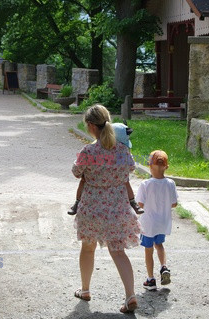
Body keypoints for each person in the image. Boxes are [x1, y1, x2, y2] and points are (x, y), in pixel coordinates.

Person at [71, 104, 141, 313]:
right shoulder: (122, 151)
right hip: (118, 208)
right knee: (118, 252)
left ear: (91, 126)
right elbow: (130, 169)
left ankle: (85, 290)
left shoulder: (88, 151)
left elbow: (76, 172)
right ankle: (130, 296)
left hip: (92, 209)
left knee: (88, 247)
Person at [68, 122, 144, 215]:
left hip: (94, 199)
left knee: (83, 180)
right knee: (126, 181)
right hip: (118, 194)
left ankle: (77, 202)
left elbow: (76, 172)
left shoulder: (91, 149)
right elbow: (132, 167)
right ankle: (133, 202)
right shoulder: (123, 150)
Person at [135, 150, 178, 291]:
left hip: (148, 224)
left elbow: (139, 204)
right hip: (163, 222)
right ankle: (164, 267)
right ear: (166, 167)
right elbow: (174, 203)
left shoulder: (145, 184)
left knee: (148, 250)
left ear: (149, 166)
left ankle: (150, 279)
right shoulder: (170, 183)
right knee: (159, 245)